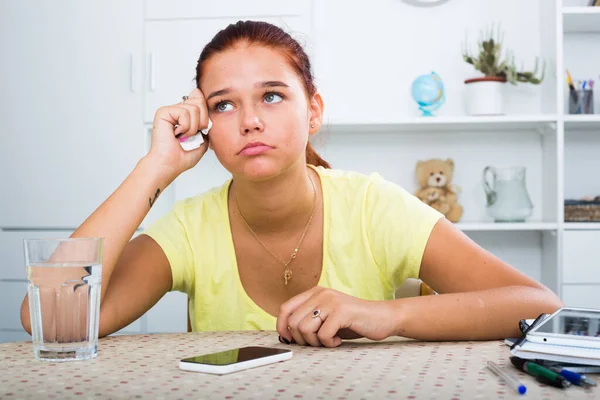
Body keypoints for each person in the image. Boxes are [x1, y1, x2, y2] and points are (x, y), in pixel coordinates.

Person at [20, 20, 562, 348]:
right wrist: (155, 168)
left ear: (314, 111)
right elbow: (50, 321)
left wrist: (386, 314)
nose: (249, 120)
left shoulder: (372, 206)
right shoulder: (190, 227)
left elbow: (538, 304)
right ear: (205, 124)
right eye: (224, 105)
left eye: (272, 95)